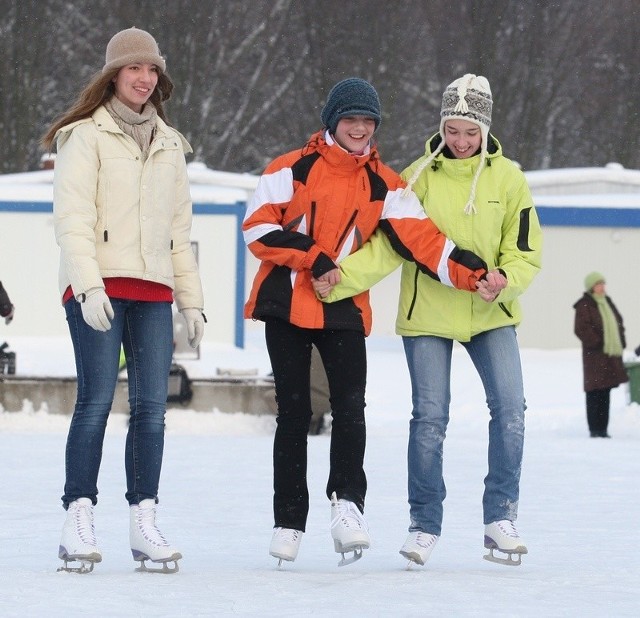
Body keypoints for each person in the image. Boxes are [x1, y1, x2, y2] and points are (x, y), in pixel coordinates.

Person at [242, 77, 490, 567]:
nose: (360, 128)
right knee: (293, 413)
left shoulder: (387, 184)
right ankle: (289, 523)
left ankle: (348, 506)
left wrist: (473, 272)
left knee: (351, 408)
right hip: (287, 302)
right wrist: (312, 259)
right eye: (351, 119)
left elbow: (425, 241)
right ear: (332, 121)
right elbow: (258, 226)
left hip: (344, 308)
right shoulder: (291, 168)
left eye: (368, 121)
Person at [315, 74, 542, 567]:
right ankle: (423, 524)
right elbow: (385, 248)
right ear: (442, 126)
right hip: (429, 318)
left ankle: (500, 516)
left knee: (511, 410)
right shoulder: (415, 177)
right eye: (453, 129)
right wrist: (340, 277)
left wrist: (504, 278)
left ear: (485, 129)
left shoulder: (510, 179)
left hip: (489, 313)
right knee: (430, 419)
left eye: (470, 132)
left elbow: (525, 250)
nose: (460, 141)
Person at [42, 27, 205, 574]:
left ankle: (144, 519)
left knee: (152, 411)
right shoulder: (84, 137)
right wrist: (87, 286)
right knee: (94, 402)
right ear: (114, 74)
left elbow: (179, 232)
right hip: (99, 287)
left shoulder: (169, 144)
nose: (144, 78)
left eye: (152, 70)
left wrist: (192, 303)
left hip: (154, 291)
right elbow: (72, 220)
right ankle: (78, 516)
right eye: (135, 69)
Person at [573, 272, 627, 438]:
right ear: (591, 286)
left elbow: (618, 321)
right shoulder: (585, 304)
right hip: (594, 356)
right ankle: (595, 429)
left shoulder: (607, 302)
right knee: (594, 391)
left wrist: (620, 339)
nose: (602, 287)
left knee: (605, 391)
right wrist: (597, 342)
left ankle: (603, 429)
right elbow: (581, 328)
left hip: (609, 356)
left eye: (603, 283)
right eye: (599, 284)